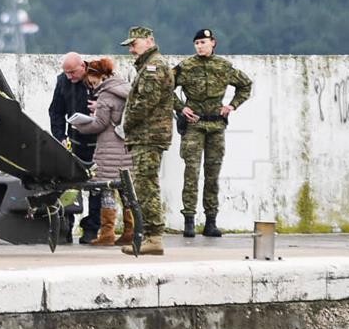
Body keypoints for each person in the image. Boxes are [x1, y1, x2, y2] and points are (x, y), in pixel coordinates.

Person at [173, 28, 252, 238]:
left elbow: (245, 85)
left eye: (203, 42)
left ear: (213, 43)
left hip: (216, 126)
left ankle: (211, 221)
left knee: (212, 174)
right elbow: (164, 87)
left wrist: (232, 105)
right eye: (197, 43)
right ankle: (189, 219)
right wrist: (181, 107)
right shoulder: (186, 66)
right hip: (194, 126)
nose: (200, 46)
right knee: (191, 173)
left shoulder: (223, 66)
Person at [118, 26, 174, 256]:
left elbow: (145, 103)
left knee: (146, 185)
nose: (132, 49)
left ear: (149, 41)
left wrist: (127, 123)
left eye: (134, 44)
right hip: (146, 135)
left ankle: (154, 237)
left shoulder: (153, 67)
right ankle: (151, 235)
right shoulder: (149, 66)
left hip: (149, 135)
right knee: (144, 184)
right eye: (130, 45)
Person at [74, 58, 134, 246]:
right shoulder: (127, 89)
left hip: (109, 150)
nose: (92, 86)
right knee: (127, 192)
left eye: (92, 81)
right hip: (127, 149)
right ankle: (130, 231)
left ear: (99, 76)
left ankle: (107, 233)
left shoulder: (106, 95)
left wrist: (80, 125)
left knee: (107, 191)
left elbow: (99, 124)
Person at [48, 52, 101, 244]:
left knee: (97, 187)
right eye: (66, 73)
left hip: (98, 141)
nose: (70, 77)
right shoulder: (63, 81)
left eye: (72, 72)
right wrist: (60, 137)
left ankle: (92, 228)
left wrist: (100, 107)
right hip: (74, 141)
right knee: (68, 186)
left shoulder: (99, 75)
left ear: (83, 66)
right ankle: (66, 226)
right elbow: (56, 111)